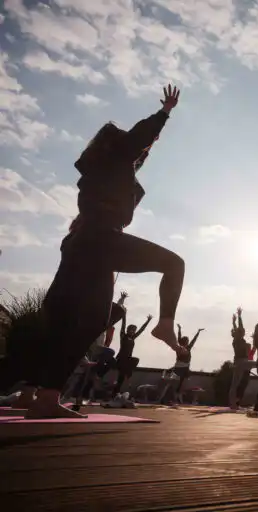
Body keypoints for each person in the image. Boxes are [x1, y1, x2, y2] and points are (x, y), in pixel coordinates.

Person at [19, 85, 187, 420]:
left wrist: (147, 142)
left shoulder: (98, 172)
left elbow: (140, 150)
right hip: (101, 240)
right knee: (174, 263)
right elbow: (138, 140)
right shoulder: (116, 156)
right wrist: (165, 113)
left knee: (70, 317)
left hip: (83, 246)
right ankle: (165, 324)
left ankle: (41, 395)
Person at [109, 306, 152, 405]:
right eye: (131, 330)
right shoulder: (123, 336)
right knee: (121, 377)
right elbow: (123, 325)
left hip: (127, 361)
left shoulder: (133, 338)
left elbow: (141, 330)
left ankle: (115, 393)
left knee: (132, 363)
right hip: (121, 359)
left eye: (134, 330)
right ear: (128, 330)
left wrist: (148, 321)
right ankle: (116, 392)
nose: (133, 332)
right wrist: (124, 314)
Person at [161, 324, 203, 405]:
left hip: (184, 367)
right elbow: (183, 339)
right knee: (175, 384)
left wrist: (197, 332)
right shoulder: (181, 348)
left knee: (180, 384)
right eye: (187, 341)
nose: (188, 342)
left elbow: (191, 340)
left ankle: (176, 399)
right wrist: (180, 330)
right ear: (184, 342)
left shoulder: (184, 347)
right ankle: (171, 398)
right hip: (180, 367)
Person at [230, 307, 258, 409]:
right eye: (243, 332)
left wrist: (235, 321)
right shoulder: (239, 339)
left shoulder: (236, 339)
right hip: (242, 362)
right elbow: (240, 328)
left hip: (238, 362)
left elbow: (238, 329)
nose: (244, 333)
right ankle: (234, 403)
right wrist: (239, 316)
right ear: (241, 334)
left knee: (235, 383)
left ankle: (233, 404)